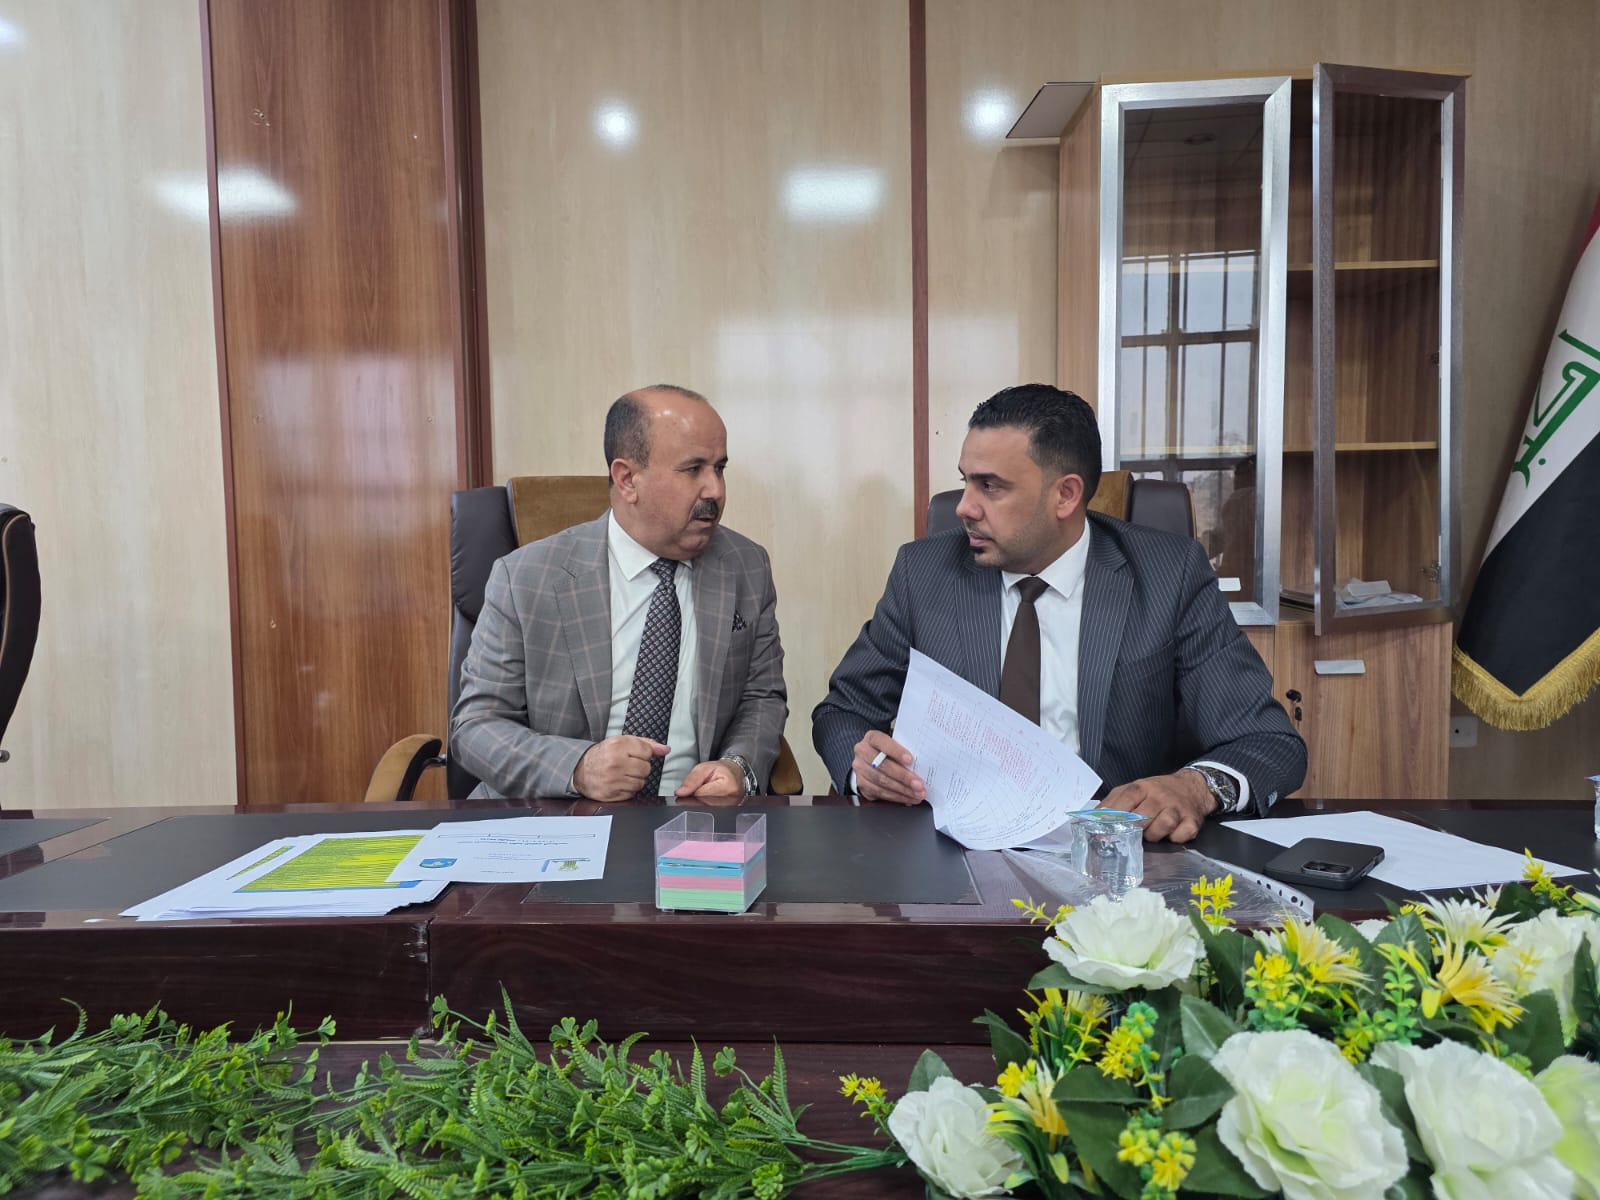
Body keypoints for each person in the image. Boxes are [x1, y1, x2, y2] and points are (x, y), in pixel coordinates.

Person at [812, 384, 1304, 843]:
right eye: (965, 482)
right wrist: (867, 770)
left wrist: (1194, 788)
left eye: (990, 486)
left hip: (1116, 856)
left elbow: (1268, 742)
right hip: (952, 848)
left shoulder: (1167, 576)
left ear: (1065, 495)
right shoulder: (924, 573)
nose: (964, 507)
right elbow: (843, 711)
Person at [451, 385, 787, 801]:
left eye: (719, 468)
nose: (715, 490)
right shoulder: (524, 578)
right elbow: (476, 726)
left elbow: (762, 698)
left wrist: (737, 765)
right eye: (693, 469)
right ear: (627, 479)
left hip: (690, 815)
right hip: (554, 812)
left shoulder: (745, 567)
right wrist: (577, 768)